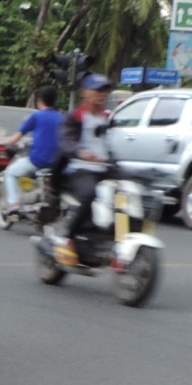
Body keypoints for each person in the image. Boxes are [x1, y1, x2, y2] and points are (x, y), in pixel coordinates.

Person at [51, 74, 117, 255]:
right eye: (97, 90)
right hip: (80, 169)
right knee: (89, 194)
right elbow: (66, 141)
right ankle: (67, 237)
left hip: (105, 170)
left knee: (133, 190)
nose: (101, 94)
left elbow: (113, 143)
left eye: (104, 90)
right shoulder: (75, 117)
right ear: (84, 92)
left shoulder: (108, 118)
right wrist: (81, 153)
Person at [7, 86, 63, 210]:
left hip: (37, 161)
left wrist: (1, 142)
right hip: (57, 163)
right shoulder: (61, 118)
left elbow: (15, 138)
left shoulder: (36, 116)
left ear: (39, 101)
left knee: (11, 173)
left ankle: (14, 204)